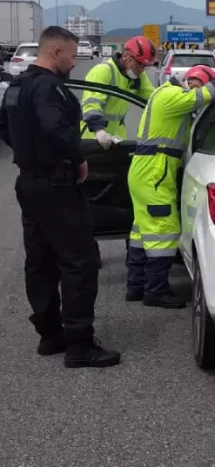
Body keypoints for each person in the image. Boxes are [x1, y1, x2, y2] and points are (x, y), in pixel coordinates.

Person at [0, 26, 121, 368]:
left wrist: (27, 153)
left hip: (29, 184)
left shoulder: (17, 86)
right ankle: (80, 345)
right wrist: (79, 159)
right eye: (71, 54)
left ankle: (50, 335)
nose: (74, 60)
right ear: (56, 53)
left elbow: (4, 125)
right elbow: (56, 129)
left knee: (40, 261)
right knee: (79, 262)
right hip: (57, 185)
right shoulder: (49, 87)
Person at [125, 64, 215, 308]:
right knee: (164, 230)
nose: (197, 93)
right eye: (198, 85)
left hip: (146, 170)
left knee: (142, 230)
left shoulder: (164, 94)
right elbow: (205, 95)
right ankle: (156, 291)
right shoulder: (172, 96)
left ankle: (136, 286)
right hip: (155, 172)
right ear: (193, 81)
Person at [81, 35, 157, 269]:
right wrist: (99, 131)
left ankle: (132, 251)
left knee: (124, 196)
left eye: (145, 66)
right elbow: (91, 104)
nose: (142, 69)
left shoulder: (135, 76)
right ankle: (88, 251)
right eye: (139, 64)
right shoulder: (103, 72)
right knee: (89, 200)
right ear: (126, 56)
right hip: (92, 143)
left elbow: (153, 98)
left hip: (116, 143)